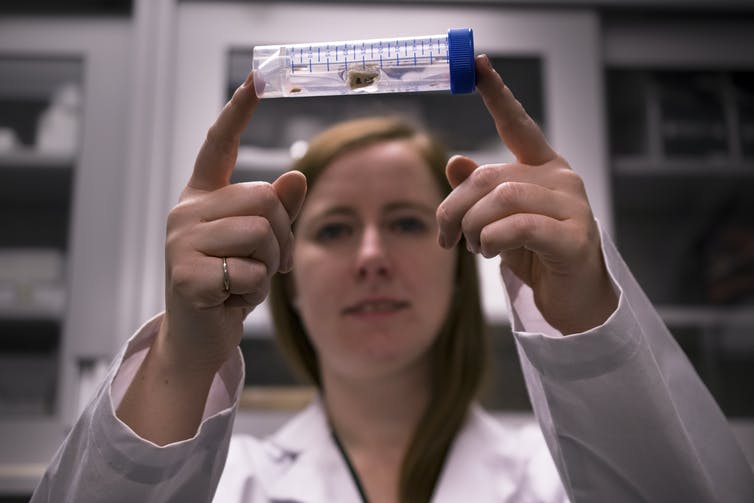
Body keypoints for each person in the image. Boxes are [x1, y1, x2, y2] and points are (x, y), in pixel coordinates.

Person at [31, 55, 753, 503]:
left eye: (408, 222)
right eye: (335, 228)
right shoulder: (228, 485)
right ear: (287, 271)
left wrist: (588, 309)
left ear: (460, 249)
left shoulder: (556, 477)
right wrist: (183, 359)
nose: (371, 256)